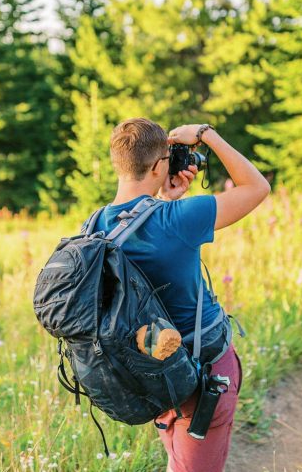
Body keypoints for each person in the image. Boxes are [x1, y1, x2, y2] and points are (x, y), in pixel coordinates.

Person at [89, 118, 270, 472]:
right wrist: (206, 135)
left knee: (179, 461)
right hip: (201, 374)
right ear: (159, 166)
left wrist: (162, 198)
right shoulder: (178, 219)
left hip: (148, 373)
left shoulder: (94, 226)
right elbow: (256, 186)